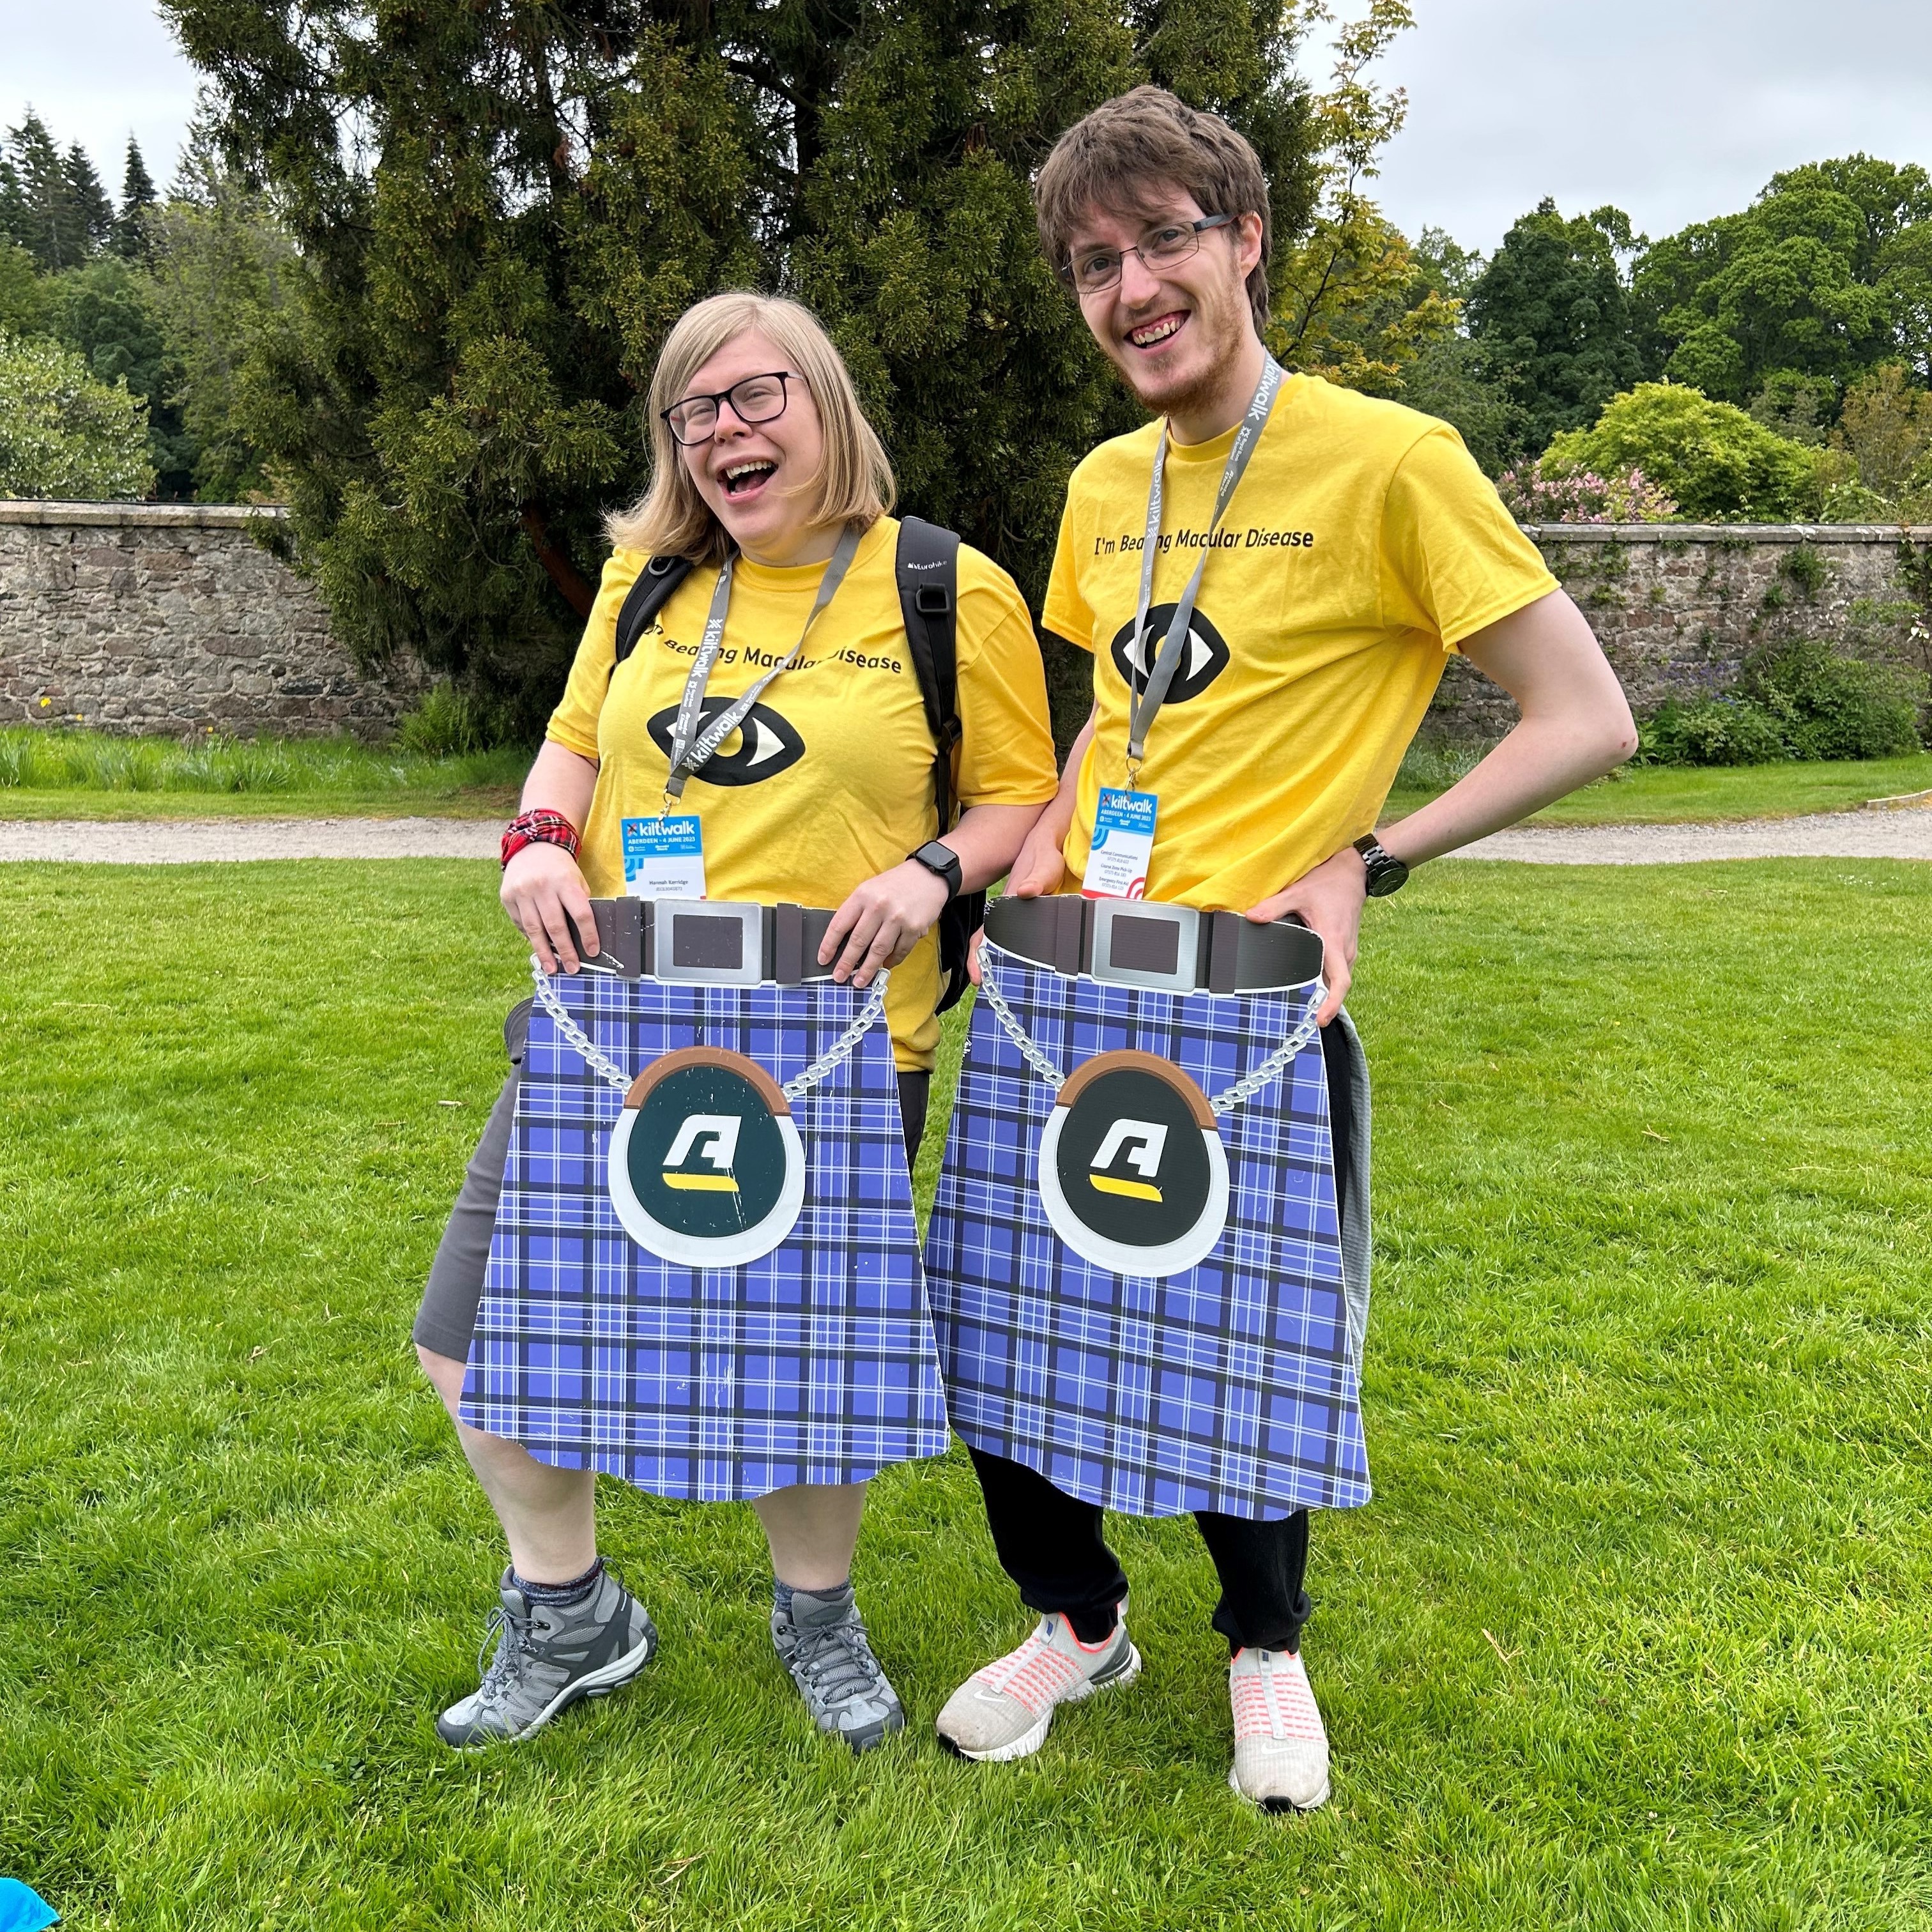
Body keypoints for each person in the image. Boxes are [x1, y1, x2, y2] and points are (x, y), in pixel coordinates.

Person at [933, 88, 1637, 1810]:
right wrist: (1027, 862)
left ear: (1247, 242)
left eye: (1164, 239)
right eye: (1094, 263)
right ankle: (1078, 1623)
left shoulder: (1392, 461)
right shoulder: (1103, 485)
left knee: (1241, 1348)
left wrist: (1365, 861)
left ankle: (1265, 1650)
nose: (1132, 288)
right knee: (1008, 1334)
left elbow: (1587, 717)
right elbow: (1118, 719)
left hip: (1245, 1007)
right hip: (1067, 981)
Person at [414, 290, 1058, 1752]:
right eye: (694, 410)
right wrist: (533, 839)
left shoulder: (946, 588)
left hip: (836, 1048)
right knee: (473, 1333)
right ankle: (569, 1612)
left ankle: (818, 1618)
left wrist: (932, 873)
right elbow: (572, 745)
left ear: (825, 401)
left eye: (757, 395)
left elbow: (1020, 795)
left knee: (805, 1368)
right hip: (612, 1036)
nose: (724, 431)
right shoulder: (646, 579)